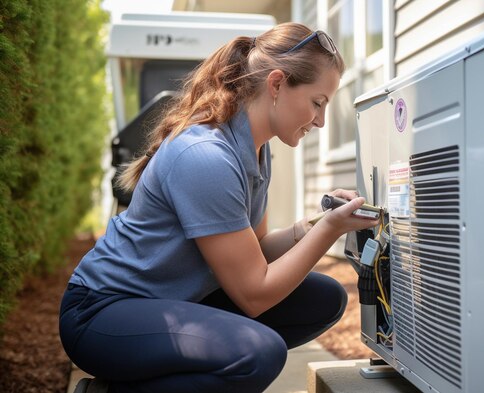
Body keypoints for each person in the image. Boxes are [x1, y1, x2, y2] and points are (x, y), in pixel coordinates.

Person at [59, 22, 378, 393]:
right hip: (103, 313)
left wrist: (311, 226)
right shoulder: (206, 156)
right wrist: (329, 231)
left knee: (323, 298)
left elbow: (253, 253)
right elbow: (254, 294)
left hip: (173, 300)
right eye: (317, 103)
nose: (322, 121)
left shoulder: (257, 149)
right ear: (276, 84)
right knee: (257, 354)